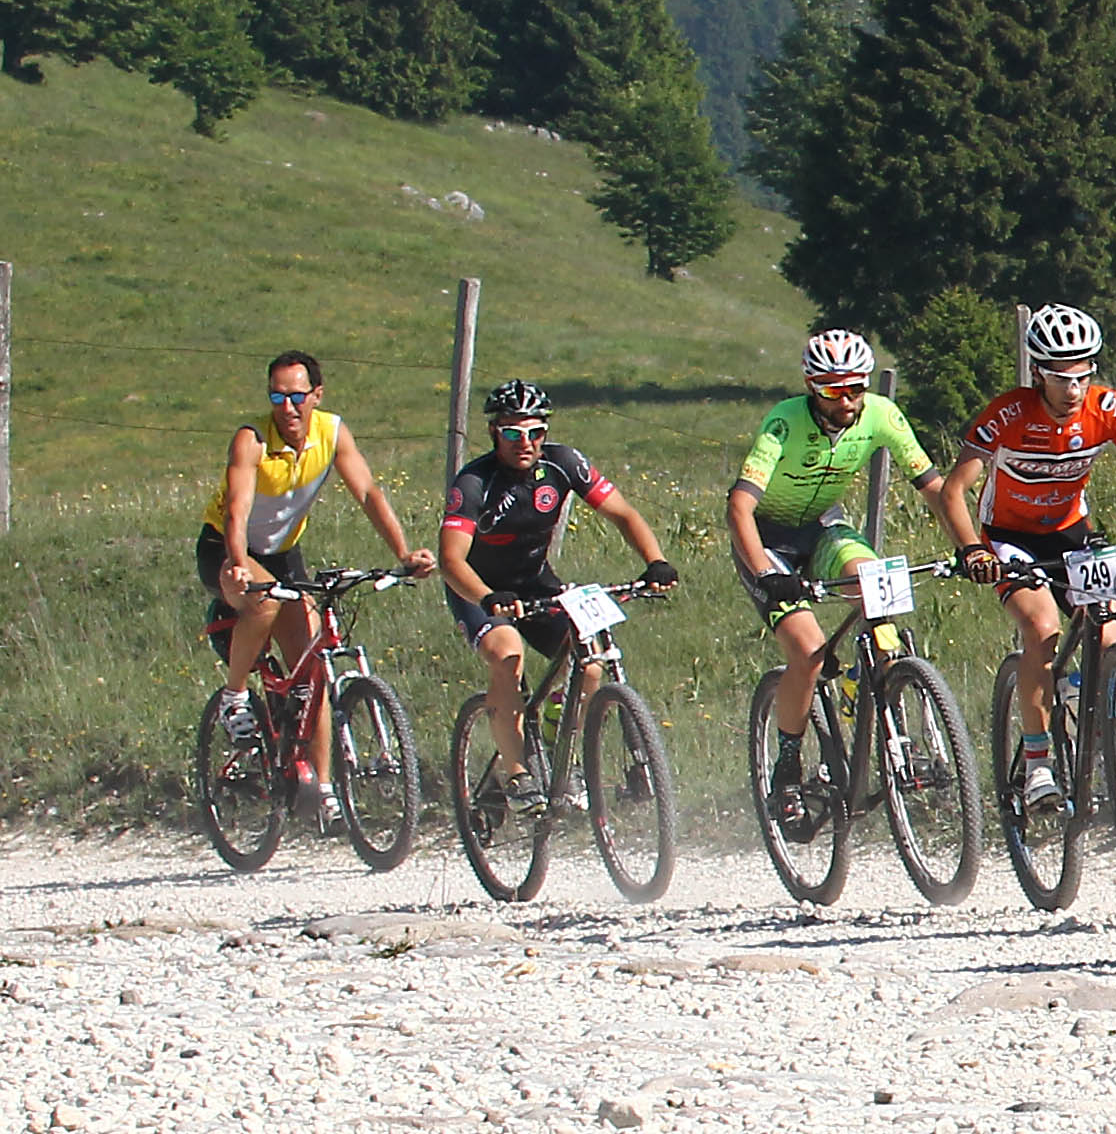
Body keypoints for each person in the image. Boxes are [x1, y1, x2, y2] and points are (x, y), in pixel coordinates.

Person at [946, 305, 1116, 812]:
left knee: (1112, 633)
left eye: (1082, 377)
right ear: (1037, 374)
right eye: (1060, 378)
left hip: (1073, 532)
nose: (1073, 391)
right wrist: (973, 550)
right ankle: (1038, 765)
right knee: (1042, 627)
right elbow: (954, 490)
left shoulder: (1107, 408)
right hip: (1009, 537)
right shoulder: (1008, 413)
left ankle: (1102, 741)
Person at [729, 329, 966, 833]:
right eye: (835, 390)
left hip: (822, 528)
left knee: (874, 584)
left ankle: (879, 684)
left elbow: (935, 488)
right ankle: (788, 764)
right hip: (767, 541)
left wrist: (972, 547)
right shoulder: (783, 421)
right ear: (813, 387)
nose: (849, 399)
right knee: (810, 651)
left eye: (856, 387)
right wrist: (768, 574)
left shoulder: (881, 413)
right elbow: (740, 507)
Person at [196, 348, 419, 818]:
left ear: (317, 395)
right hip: (226, 548)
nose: (287, 407)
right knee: (262, 605)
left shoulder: (331, 432)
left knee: (312, 669)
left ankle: (322, 790)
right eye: (277, 396)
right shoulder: (252, 440)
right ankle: (235, 697)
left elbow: (368, 491)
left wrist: (403, 554)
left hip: (282, 553)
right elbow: (237, 511)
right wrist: (237, 563)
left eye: (297, 396)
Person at [438, 381, 677, 802]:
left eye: (535, 432)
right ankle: (514, 775)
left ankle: (555, 742)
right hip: (480, 588)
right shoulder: (475, 481)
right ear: (494, 432)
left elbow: (621, 512)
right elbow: (451, 560)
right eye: (512, 432)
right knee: (507, 652)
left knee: (590, 661)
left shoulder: (563, 464)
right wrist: (487, 598)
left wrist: (654, 561)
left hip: (535, 581)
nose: (524, 442)